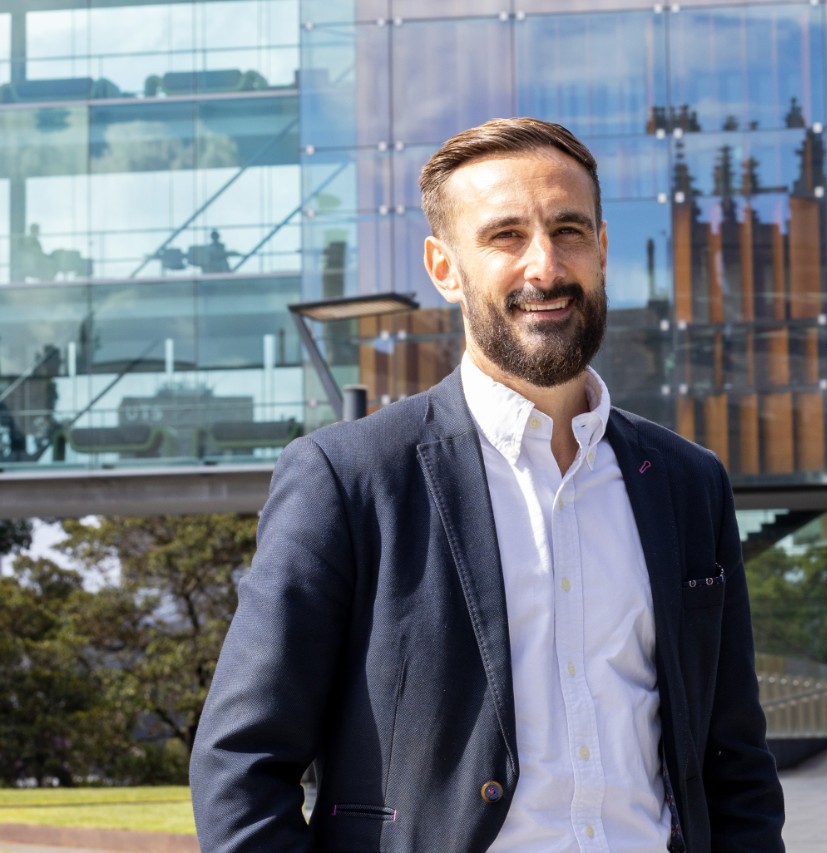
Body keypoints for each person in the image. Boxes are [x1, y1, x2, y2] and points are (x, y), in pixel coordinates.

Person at [188, 117, 785, 852]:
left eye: (569, 231)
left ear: (601, 250)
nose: (546, 267)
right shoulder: (347, 478)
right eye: (506, 236)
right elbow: (241, 764)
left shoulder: (689, 482)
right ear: (445, 268)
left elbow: (736, 760)